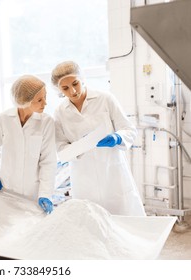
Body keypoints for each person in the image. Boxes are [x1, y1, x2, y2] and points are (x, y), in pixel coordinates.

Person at [51, 60, 146, 216]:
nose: (73, 91)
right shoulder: (60, 112)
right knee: (91, 220)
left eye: (75, 84)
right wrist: (78, 149)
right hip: (83, 174)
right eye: (65, 88)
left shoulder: (105, 99)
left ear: (82, 79)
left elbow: (129, 128)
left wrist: (117, 137)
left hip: (112, 169)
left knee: (124, 217)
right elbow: (60, 147)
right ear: (59, 89)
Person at [0, 75, 56, 214]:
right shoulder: (3, 119)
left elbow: (48, 161)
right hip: (6, 189)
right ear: (25, 101)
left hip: (34, 193)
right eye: (40, 100)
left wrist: (45, 194)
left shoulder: (46, 122)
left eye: (45, 97)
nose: (45, 103)